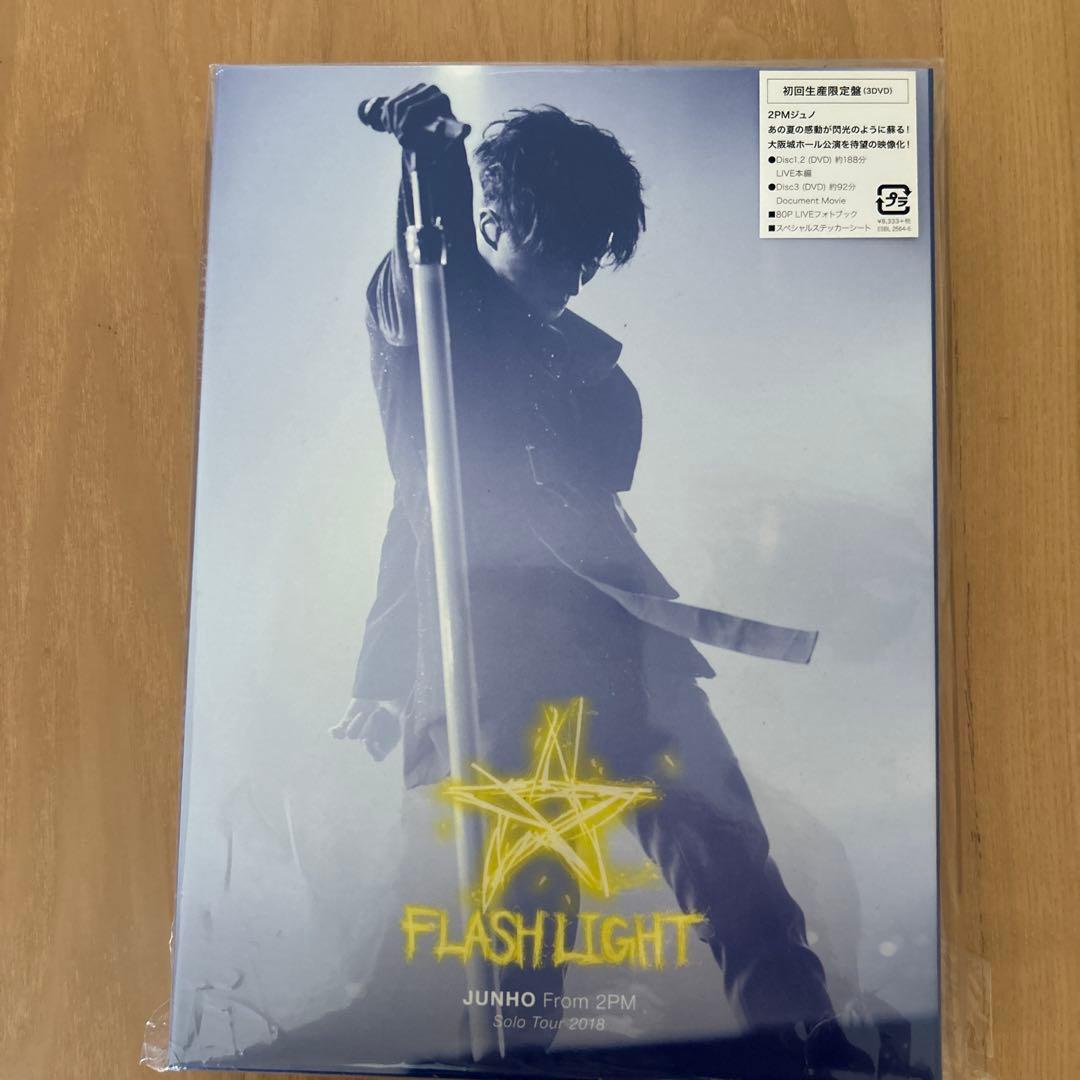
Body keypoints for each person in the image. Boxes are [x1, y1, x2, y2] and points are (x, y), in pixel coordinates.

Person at [333, 83, 875, 1078]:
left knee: (728, 848)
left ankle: (806, 1043)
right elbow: (419, 488)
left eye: (593, 254)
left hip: (623, 644)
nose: (582, 274)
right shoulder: (428, 300)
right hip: (504, 656)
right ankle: (513, 1061)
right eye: (568, 247)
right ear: (497, 222)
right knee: (530, 890)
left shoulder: (573, 357)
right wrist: (436, 160)